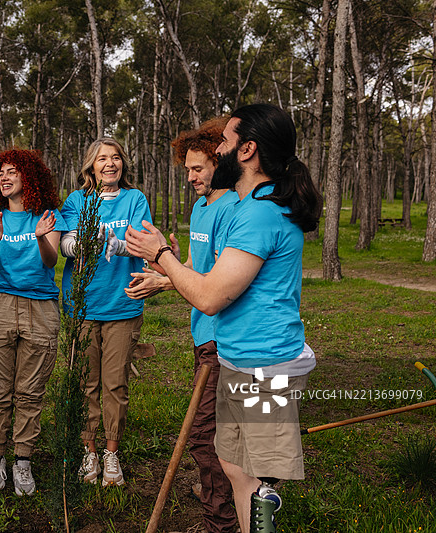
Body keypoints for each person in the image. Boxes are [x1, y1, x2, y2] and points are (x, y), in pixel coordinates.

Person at [126, 103, 322, 533]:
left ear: (247, 150)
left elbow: (211, 298)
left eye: (227, 142)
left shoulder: (258, 214)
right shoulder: (255, 205)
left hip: (264, 369)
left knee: (255, 479)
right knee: (235, 465)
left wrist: (159, 254)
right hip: (241, 359)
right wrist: (170, 268)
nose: (220, 149)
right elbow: (213, 280)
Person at [125, 117, 239, 533]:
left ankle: (221, 521)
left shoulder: (232, 209)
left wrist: (163, 262)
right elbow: (196, 268)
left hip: (222, 340)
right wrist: (162, 276)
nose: (190, 176)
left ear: (219, 162)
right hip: (200, 335)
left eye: (198, 168)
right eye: (187, 168)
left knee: (204, 434)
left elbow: (222, 284)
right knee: (215, 433)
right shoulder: (202, 207)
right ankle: (223, 491)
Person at [0, 148, 68, 496]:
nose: (4, 177)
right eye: (1, 173)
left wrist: (42, 235)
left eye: (13, 171)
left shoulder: (48, 215)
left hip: (39, 307)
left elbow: (50, 261)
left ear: (29, 177)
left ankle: (23, 461)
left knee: (30, 390)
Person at [60, 138, 152, 487]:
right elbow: (65, 243)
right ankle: (89, 451)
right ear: (91, 166)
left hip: (123, 302)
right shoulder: (77, 200)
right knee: (86, 383)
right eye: (102, 159)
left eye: (115, 158)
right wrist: (82, 242)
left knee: (115, 384)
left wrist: (118, 244)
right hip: (82, 304)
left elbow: (143, 243)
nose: (110, 164)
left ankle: (112, 455)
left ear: (122, 165)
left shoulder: (135, 199)